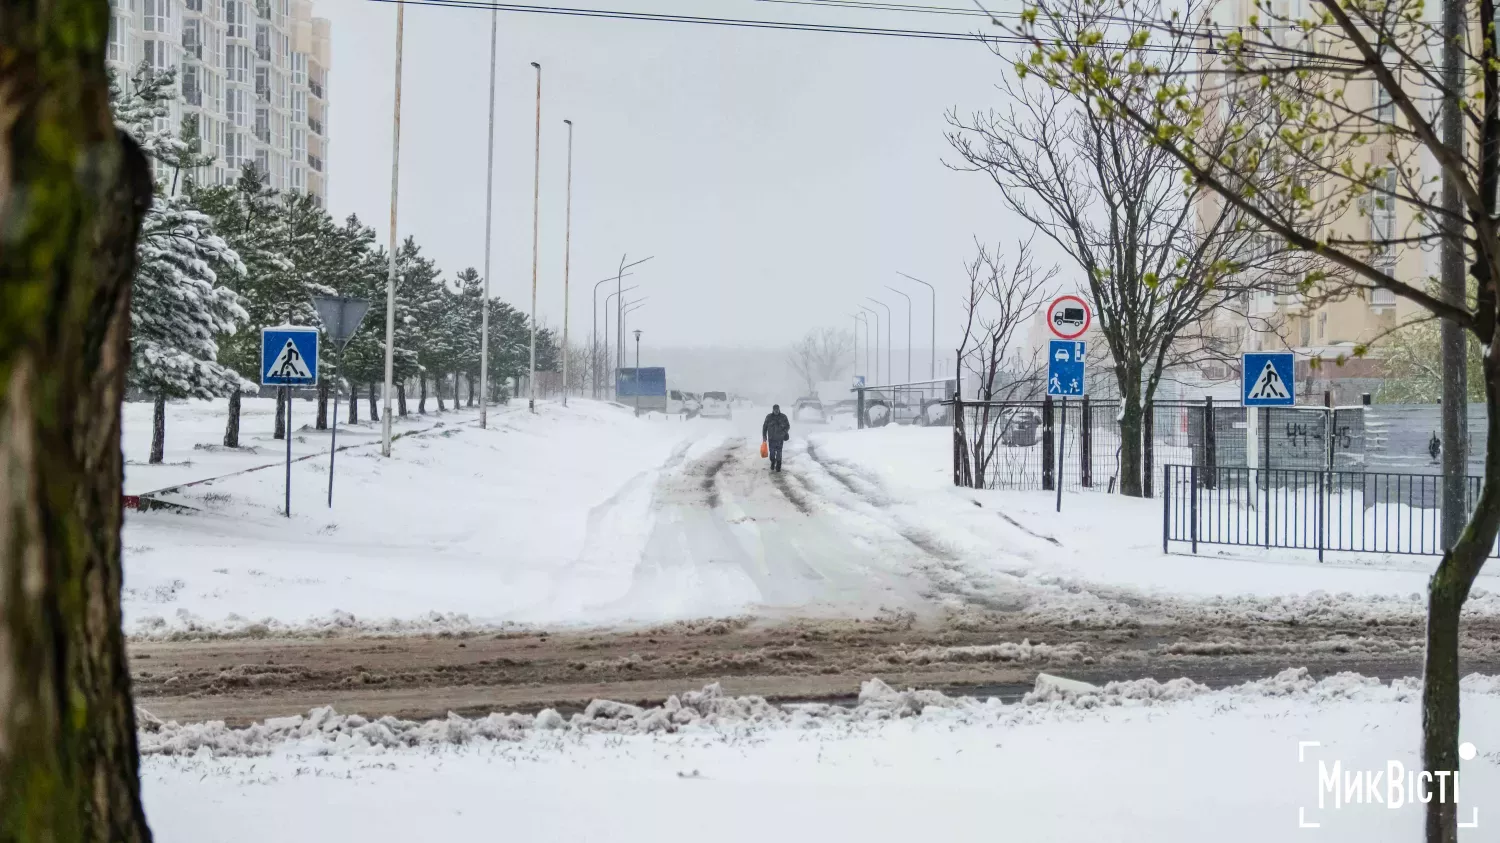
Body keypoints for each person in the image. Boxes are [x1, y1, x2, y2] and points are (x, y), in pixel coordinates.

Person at [762, 404, 791, 472]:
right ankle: (772, 462)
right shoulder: (769, 417)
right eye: (775, 410)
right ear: (773, 410)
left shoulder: (783, 417)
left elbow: (788, 426)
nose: (776, 411)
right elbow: (764, 427)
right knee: (772, 453)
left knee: (779, 452)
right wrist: (764, 436)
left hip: (780, 439)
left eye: (777, 410)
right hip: (771, 439)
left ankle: (778, 465)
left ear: (779, 409)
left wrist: (784, 432)